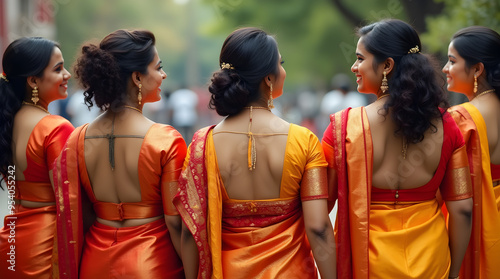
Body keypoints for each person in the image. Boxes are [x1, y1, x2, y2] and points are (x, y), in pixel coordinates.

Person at [174, 27, 336, 279]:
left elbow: (190, 230)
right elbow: (318, 228)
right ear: (268, 79)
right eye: (280, 63)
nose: (283, 70)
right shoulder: (304, 141)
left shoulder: (202, 144)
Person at [322, 19, 473, 279]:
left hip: (368, 264)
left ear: (387, 65)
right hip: (431, 261)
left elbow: (321, 208)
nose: (354, 67)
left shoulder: (344, 130)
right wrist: (453, 270)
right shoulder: (448, 126)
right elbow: (463, 209)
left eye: (360, 58)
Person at [52, 29, 186, 278]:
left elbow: (82, 215)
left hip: (95, 261)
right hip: (152, 261)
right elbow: (175, 222)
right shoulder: (165, 139)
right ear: (137, 77)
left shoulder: (77, 138)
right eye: (158, 68)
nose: (164, 75)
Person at [0, 37, 74, 278]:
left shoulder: (7, 122)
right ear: (33, 81)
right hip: (45, 244)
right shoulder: (55, 128)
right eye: (58, 69)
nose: (68, 74)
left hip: (10, 239)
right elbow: (69, 203)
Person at [443, 26, 500, 279]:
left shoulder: (461, 118)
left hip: (476, 224)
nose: (445, 68)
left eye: (452, 61)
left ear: (477, 69)